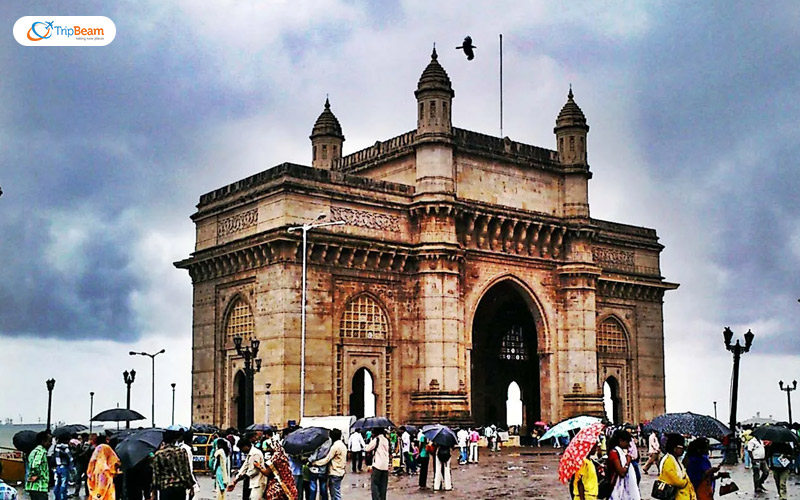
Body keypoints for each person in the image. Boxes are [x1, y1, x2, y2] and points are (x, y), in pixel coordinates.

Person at [151, 430, 195, 500]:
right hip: (180, 488)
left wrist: (154, 492)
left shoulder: (159, 454)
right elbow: (186, 471)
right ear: (175, 439)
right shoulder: (181, 452)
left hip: (165, 488)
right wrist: (191, 487)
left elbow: (156, 474)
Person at [312, 428, 347, 500]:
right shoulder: (343, 445)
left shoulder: (335, 447)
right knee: (335, 492)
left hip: (335, 472)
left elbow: (327, 459)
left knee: (335, 494)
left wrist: (315, 463)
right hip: (340, 471)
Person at [657, 434, 694, 500]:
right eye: (681, 448)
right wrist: (685, 481)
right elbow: (677, 481)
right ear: (674, 448)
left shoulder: (676, 460)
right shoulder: (668, 461)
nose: (683, 450)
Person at [228, 436, 265, 500]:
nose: (241, 451)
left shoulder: (255, 453)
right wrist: (236, 480)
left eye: (241, 448)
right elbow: (244, 467)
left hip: (258, 482)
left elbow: (254, 471)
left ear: (246, 446)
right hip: (252, 481)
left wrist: (243, 476)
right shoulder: (250, 454)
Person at [607, 430, 640, 500]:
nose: (628, 445)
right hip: (615, 489)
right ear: (621, 441)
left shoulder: (621, 453)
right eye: (627, 442)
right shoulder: (614, 454)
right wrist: (628, 461)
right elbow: (621, 473)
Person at [86, 434, 121, 500]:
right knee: (107, 493)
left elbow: (92, 461)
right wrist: (114, 471)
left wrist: (90, 474)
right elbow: (115, 461)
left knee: (97, 492)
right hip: (106, 473)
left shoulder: (97, 448)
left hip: (96, 472)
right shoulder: (107, 447)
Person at [364, 427, 390, 500]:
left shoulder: (376, 439)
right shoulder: (386, 440)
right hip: (385, 466)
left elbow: (367, 449)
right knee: (383, 486)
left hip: (377, 465)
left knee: (374, 484)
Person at [25, 431, 52, 500]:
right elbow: (35, 465)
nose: (50, 444)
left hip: (33, 487)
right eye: (49, 441)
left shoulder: (34, 451)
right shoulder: (41, 452)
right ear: (43, 441)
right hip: (40, 486)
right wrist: (36, 474)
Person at [307, 436, 331, 500]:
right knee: (323, 486)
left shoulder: (317, 443)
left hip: (314, 468)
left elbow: (313, 457)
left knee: (313, 486)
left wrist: (309, 460)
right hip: (323, 468)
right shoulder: (329, 442)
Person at [53, 434, 73, 500]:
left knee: (57, 483)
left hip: (57, 467)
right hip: (64, 467)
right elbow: (70, 458)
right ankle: (63, 497)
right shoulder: (65, 448)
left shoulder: (56, 447)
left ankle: (57, 497)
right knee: (64, 483)